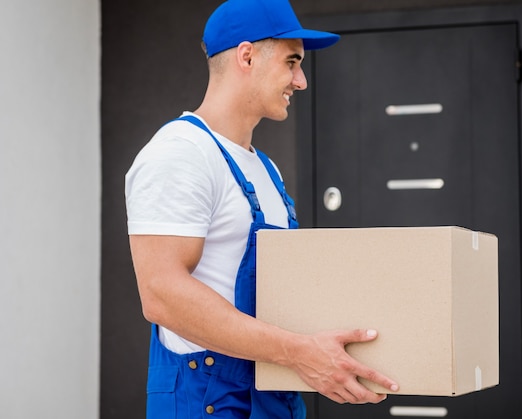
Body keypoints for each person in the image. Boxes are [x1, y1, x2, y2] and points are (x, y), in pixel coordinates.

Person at [125, 0, 399, 417]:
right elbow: (162, 296)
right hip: (209, 403)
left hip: (274, 397)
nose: (301, 81)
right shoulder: (181, 154)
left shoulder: (265, 168)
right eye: (292, 62)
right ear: (247, 55)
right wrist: (299, 353)